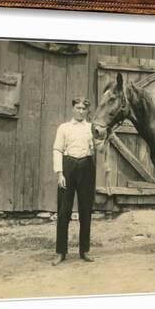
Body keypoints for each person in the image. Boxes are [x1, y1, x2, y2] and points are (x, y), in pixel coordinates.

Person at [51, 98, 98, 266]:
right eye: (77, 108)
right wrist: (60, 173)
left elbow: (98, 148)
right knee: (64, 211)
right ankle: (60, 252)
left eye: (83, 108)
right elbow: (57, 149)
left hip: (86, 167)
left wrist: (100, 141)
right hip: (68, 167)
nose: (80, 111)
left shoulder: (91, 127)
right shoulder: (64, 128)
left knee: (86, 210)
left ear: (87, 111)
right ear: (73, 109)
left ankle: (84, 250)